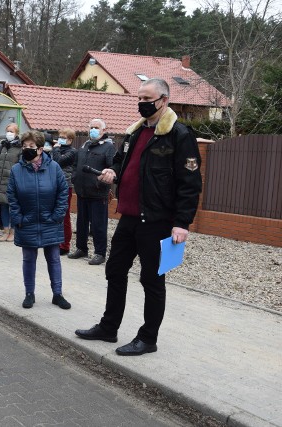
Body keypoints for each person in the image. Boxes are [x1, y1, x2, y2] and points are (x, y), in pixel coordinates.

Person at [75, 78, 203, 356]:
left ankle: (148, 339)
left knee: (152, 280)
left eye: (148, 99)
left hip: (157, 221)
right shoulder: (134, 133)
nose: (142, 103)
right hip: (129, 217)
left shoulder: (179, 135)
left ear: (164, 101)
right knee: (115, 271)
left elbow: (190, 183)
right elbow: (122, 163)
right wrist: (113, 172)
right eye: (140, 98)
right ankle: (109, 328)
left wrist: (182, 223)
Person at [7, 130, 71, 310]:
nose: (27, 149)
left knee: (54, 258)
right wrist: (19, 218)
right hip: (27, 222)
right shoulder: (16, 170)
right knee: (28, 259)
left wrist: (57, 216)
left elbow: (62, 192)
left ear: (41, 149)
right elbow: (12, 196)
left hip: (50, 221)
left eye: (32, 147)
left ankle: (57, 294)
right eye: (25, 146)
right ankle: (29, 293)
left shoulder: (54, 168)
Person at [67, 119, 116, 265]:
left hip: (98, 193)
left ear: (103, 131)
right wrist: (75, 177)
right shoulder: (85, 145)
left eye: (96, 128)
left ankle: (99, 253)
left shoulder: (108, 148)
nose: (93, 130)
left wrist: (100, 182)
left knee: (98, 225)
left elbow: (111, 169)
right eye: (91, 128)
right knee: (81, 223)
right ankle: (81, 248)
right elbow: (76, 164)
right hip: (82, 191)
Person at [0, 123, 21, 242]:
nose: (9, 133)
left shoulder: (20, 147)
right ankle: (5, 231)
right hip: (0, 181)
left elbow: (21, 164)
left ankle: (13, 232)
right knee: (3, 206)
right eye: (8, 131)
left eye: (12, 131)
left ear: (16, 133)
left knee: (13, 207)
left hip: (12, 182)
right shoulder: (2, 146)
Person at [51, 127, 78, 255]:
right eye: (60, 136)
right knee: (53, 214)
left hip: (65, 186)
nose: (61, 138)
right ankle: (54, 241)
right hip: (53, 184)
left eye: (64, 137)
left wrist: (55, 149)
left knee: (64, 215)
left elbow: (58, 161)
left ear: (70, 139)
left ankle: (65, 244)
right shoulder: (57, 150)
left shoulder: (72, 152)